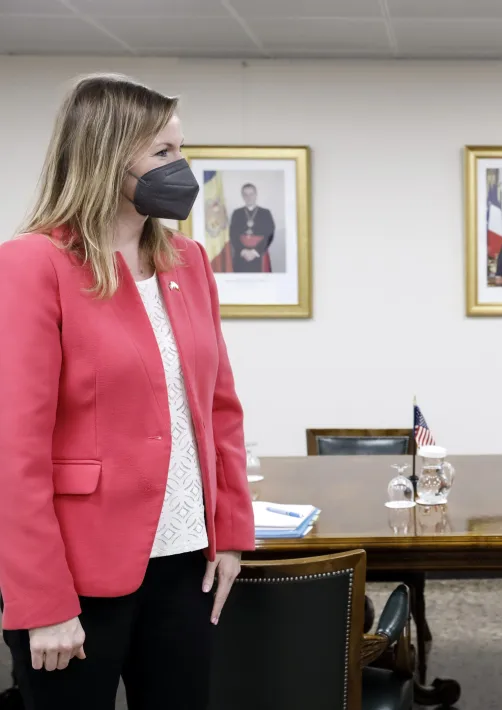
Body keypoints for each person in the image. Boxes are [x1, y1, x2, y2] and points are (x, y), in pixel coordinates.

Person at [0, 74, 255, 710]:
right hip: (78, 574)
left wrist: (229, 536)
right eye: (163, 154)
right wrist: (42, 601)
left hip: (185, 562)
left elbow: (218, 410)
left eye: (181, 149)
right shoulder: (34, 264)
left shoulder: (188, 262)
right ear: (107, 156)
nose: (182, 168)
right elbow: (15, 452)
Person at [227, 182, 275, 273]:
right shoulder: (237, 213)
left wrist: (256, 251)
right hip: (241, 256)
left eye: (251, 194)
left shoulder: (265, 213)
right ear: (242, 196)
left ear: (256, 195)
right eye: (245, 194)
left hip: (260, 254)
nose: (249, 197)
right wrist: (242, 251)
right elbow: (232, 234)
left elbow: (270, 234)